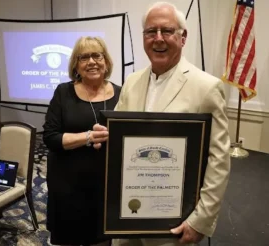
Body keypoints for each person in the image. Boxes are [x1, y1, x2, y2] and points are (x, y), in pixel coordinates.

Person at [92, 2, 231, 246]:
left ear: (183, 37)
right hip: (127, 217)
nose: (158, 39)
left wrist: (200, 220)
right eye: (150, 32)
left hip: (173, 226)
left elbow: (218, 161)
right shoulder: (132, 82)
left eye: (167, 31)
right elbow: (118, 138)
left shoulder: (206, 87)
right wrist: (104, 135)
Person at [43, 36, 121, 246]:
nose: (92, 62)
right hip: (68, 185)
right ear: (76, 65)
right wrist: (88, 137)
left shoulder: (122, 94)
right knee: (69, 238)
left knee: (102, 239)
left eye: (97, 55)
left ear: (106, 61)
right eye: (84, 57)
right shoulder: (63, 92)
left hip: (106, 186)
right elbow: (50, 138)